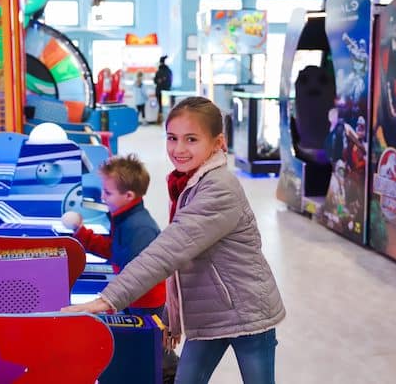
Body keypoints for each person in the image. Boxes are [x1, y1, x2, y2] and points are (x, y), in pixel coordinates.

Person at [63, 96, 286, 384]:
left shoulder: (219, 189)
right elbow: (187, 261)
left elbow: (169, 250)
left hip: (248, 311)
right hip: (209, 314)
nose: (179, 149)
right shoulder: (188, 183)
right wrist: (172, 314)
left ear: (218, 143)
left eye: (191, 139)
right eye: (172, 138)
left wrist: (108, 299)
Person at [61, 153, 165, 316]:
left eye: (108, 193)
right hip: (133, 298)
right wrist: (81, 233)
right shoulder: (124, 217)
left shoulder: (140, 228)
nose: (102, 197)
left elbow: (137, 276)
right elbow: (113, 249)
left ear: (128, 196)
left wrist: (109, 304)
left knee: (144, 341)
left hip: (145, 304)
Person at [154, 55, 172, 124]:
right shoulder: (168, 71)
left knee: (160, 106)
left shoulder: (158, 71)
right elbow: (170, 82)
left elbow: (155, 81)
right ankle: (165, 121)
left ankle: (160, 121)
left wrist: (159, 81)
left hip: (158, 91)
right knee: (165, 106)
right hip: (166, 92)